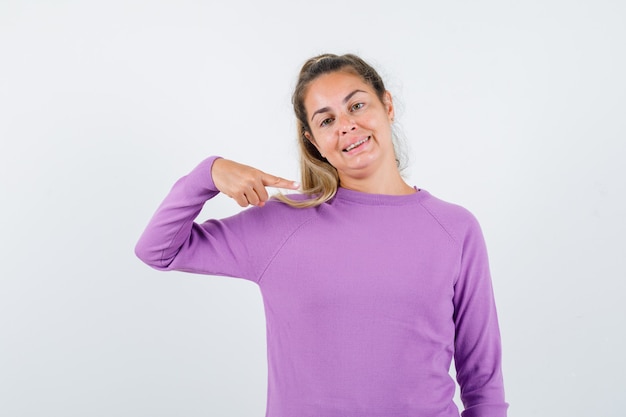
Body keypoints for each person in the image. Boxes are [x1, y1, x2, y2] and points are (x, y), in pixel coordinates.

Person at [135, 53, 508, 417]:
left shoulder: (455, 229)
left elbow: (483, 384)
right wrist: (208, 174)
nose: (346, 125)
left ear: (387, 106)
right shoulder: (281, 223)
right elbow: (158, 249)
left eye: (357, 106)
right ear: (313, 141)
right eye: (326, 120)